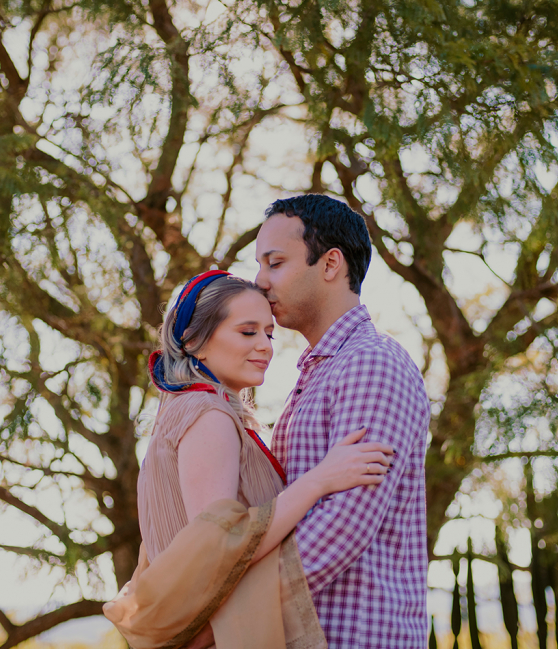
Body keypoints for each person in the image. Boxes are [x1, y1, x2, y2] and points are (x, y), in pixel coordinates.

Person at [104, 270, 394, 649]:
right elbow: (220, 547)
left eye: (269, 333)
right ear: (195, 341)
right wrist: (320, 480)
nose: (265, 346)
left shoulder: (188, 408)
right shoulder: (208, 414)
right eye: (247, 332)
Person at [255, 195, 432, 648]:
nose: (260, 282)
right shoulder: (322, 371)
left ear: (330, 264)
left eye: (275, 263)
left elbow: (343, 523)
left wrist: (233, 605)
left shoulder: (371, 364)